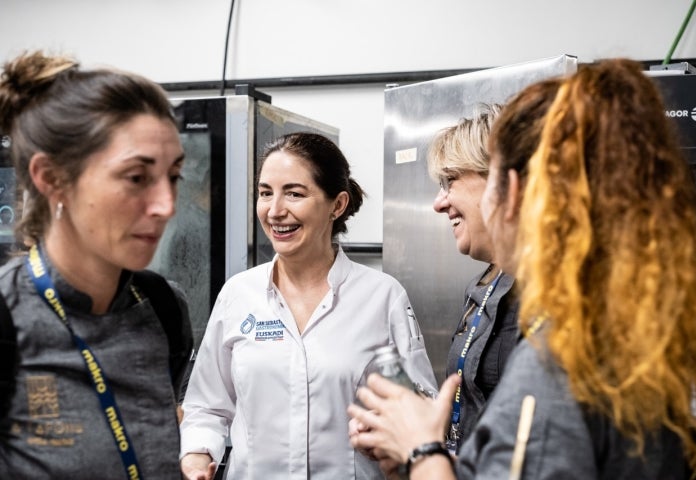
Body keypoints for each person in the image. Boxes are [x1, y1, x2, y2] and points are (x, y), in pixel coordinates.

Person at [348, 58, 696, 480]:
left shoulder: (564, 355)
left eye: (452, 181)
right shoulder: (636, 317)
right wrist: (422, 458)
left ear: (517, 190)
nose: (439, 202)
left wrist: (422, 450)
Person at [179, 132, 437, 479]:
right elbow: (206, 407)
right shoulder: (238, 295)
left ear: (337, 204)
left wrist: (392, 442)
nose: (274, 211)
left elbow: (419, 413)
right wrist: (196, 456)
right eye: (265, 193)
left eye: (295, 194)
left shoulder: (382, 297)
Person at [0, 51, 193, 479]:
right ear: (50, 178)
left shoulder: (162, 306)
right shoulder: (9, 317)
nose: (166, 205)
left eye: (174, 176)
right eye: (137, 177)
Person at [427, 109, 519, 451]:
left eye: (450, 181)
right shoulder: (484, 284)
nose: (439, 203)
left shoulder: (552, 294)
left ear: (503, 181)